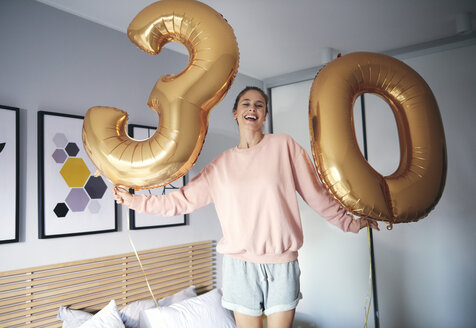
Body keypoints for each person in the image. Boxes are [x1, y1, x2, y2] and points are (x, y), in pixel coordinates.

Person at [113, 86, 379, 328]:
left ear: (264, 116)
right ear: (235, 113)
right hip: (239, 267)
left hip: (281, 263)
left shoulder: (284, 146)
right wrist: (133, 200)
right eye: (246, 104)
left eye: (260, 105)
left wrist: (352, 223)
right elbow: (179, 200)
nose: (253, 108)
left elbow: (317, 195)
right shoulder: (220, 166)